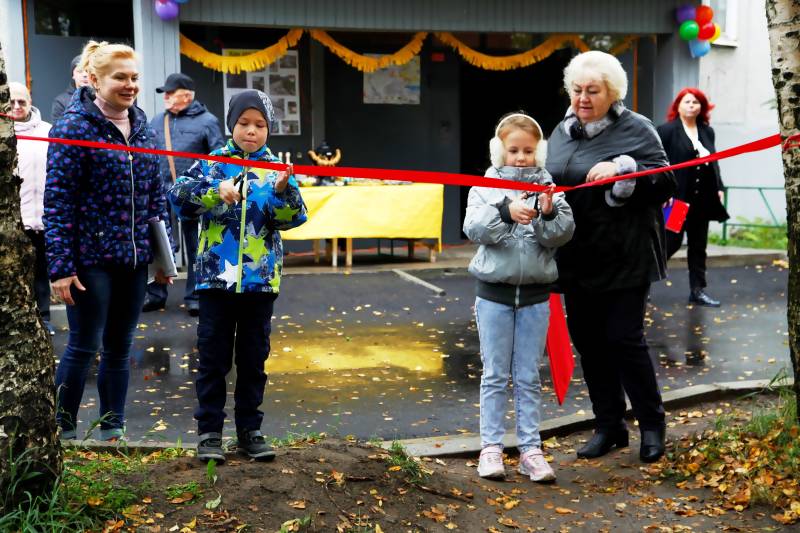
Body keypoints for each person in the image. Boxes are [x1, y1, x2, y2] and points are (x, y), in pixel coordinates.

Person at [545, 51, 677, 463]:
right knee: (589, 342)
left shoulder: (636, 127)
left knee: (624, 339)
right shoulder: (562, 131)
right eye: (577, 90)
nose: (583, 98)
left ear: (613, 92)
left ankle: (652, 425)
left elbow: (665, 180)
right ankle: (609, 426)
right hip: (577, 256)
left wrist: (622, 168)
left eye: (593, 91)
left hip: (626, 254)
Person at [168, 90, 307, 463]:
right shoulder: (212, 163)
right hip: (215, 281)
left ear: (269, 129)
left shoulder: (276, 168)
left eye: (260, 125)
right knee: (213, 358)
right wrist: (216, 191)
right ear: (232, 125)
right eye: (244, 123)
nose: (251, 131)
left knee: (253, 359)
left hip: (260, 282)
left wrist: (282, 192)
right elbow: (178, 198)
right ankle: (209, 432)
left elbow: (293, 219)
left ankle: (250, 430)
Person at [44, 41, 173, 441]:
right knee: (84, 345)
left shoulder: (144, 128)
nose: (130, 85)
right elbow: (58, 202)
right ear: (95, 79)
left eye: (134, 77)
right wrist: (61, 268)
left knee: (120, 347)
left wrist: (163, 259)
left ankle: (112, 431)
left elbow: (155, 198)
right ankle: (62, 432)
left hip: (133, 259)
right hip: (90, 258)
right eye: (120, 77)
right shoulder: (73, 127)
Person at [463, 113, 574, 482]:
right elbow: (474, 228)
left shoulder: (550, 188)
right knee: (495, 374)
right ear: (500, 151)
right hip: (493, 296)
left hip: (536, 298)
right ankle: (491, 448)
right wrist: (505, 212)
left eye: (528, 151)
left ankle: (531, 450)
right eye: (514, 150)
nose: (521, 157)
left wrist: (548, 212)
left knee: (528, 376)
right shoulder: (485, 187)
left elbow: (562, 234)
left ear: (538, 152)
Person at [142, 73, 225, 316]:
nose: (166, 97)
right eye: (165, 93)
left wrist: (208, 188)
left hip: (194, 194)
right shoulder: (158, 120)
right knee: (159, 244)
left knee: (196, 246)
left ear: (187, 96)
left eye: (171, 93)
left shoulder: (208, 121)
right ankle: (156, 294)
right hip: (161, 194)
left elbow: (219, 157)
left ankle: (195, 297)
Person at [657, 88, 729, 307]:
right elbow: (659, 163)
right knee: (670, 243)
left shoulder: (707, 131)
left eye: (696, 102)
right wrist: (664, 191)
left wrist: (719, 187)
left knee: (698, 246)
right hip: (677, 199)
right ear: (678, 106)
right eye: (687, 101)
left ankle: (697, 291)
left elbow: (714, 161)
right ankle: (642, 283)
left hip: (702, 200)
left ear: (702, 107)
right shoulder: (667, 131)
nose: (691, 105)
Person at [10, 81, 54, 335]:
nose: (17, 106)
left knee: (41, 273)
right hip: (16, 219)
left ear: (30, 102)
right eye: (11, 102)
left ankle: (44, 319)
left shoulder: (48, 131)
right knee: (16, 274)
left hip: (46, 218)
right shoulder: (5, 135)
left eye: (22, 101)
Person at [51, 54, 90, 122]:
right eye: (80, 71)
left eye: (88, 71)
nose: (85, 75)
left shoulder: (101, 98)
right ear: (73, 75)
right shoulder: (61, 101)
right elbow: (57, 126)